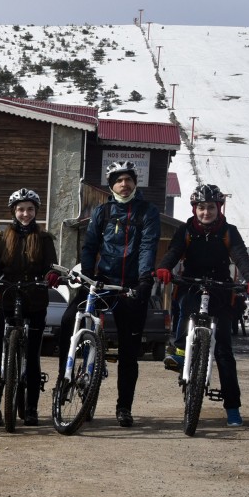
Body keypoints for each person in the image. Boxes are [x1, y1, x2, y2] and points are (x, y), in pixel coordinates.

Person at [58, 161, 160, 428]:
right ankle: (64, 381)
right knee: (68, 321)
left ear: (134, 183)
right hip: (102, 282)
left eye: (128, 179)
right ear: (111, 185)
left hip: (131, 286)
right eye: (118, 180)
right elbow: (90, 245)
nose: (124, 184)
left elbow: (148, 246)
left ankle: (124, 407)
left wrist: (145, 279)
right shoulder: (102, 212)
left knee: (129, 350)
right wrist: (87, 274)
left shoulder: (147, 211)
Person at [154, 184, 249, 426]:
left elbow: (241, 257)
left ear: (219, 208)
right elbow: (173, 252)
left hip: (220, 289)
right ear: (194, 209)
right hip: (191, 283)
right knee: (185, 306)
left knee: (224, 352)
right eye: (201, 207)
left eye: (211, 207)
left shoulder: (229, 231)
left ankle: (232, 407)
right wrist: (164, 267)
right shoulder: (185, 230)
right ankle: (180, 352)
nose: (206, 212)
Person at [0, 188, 61, 427]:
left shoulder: (44, 239)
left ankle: (31, 409)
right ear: (14, 211)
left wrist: (52, 275)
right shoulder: (2, 238)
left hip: (35, 300)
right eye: (21, 209)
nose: (25, 214)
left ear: (36, 211)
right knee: (1, 355)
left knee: (32, 356)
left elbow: (50, 266)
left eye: (30, 209)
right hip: (9, 299)